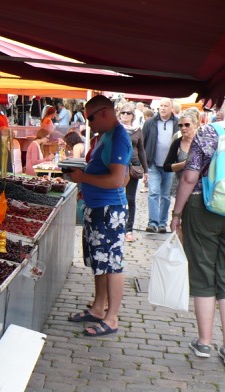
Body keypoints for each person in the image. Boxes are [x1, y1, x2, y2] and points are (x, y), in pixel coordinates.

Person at [67, 94, 131, 337]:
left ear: (104, 112)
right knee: (99, 262)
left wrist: (82, 178)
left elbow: (117, 180)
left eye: (90, 118)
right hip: (98, 208)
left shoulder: (118, 138)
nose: (89, 123)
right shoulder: (105, 136)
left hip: (109, 210)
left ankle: (111, 318)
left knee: (112, 264)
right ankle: (98, 308)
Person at [170, 104, 225, 359]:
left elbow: (189, 176)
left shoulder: (208, 132)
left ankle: (204, 342)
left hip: (203, 206)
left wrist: (177, 214)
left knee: (203, 270)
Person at [143, 98, 178, 232]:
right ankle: (153, 222)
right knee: (153, 192)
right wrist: (144, 163)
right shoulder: (150, 123)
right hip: (153, 164)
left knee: (165, 195)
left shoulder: (177, 123)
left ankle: (162, 223)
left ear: (171, 109)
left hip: (170, 165)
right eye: (161, 106)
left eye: (166, 106)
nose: (163, 108)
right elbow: (143, 142)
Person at [117, 103, 147, 242]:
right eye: (123, 112)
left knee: (130, 199)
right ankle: (116, 226)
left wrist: (146, 170)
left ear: (133, 116)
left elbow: (141, 149)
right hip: (118, 165)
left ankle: (128, 230)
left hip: (133, 166)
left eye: (128, 113)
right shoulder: (116, 129)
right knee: (116, 196)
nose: (125, 115)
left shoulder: (137, 130)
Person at [163, 108, 200, 196]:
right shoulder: (177, 143)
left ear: (195, 125)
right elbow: (166, 166)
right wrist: (183, 164)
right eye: (180, 125)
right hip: (182, 186)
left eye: (187, 125)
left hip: (200, 187)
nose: (183, 128)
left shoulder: (202, 141)